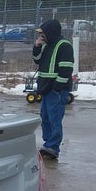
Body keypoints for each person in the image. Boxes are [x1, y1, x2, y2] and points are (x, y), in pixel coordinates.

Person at [32, 19, 74, 160]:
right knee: (45, 118)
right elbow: (37, 60)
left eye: (42, 33)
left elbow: (66, 68)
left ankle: (53, 147)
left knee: (54, 118)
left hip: (56, 89)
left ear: (50, 32)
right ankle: (48, 144)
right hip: (45, 87)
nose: (41, 36)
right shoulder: (46, 45)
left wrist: (57, 87)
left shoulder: (64, 46)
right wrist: (37, 46)